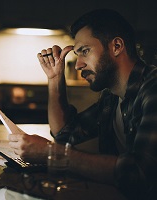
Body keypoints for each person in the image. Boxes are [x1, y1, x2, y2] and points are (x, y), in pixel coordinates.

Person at [8, 9, 157, 199]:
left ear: (117, 46)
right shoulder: (111, 98)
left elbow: (138, 173)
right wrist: (55, 78)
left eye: (85, 51)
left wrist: (50, 152)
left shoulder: (153, 89)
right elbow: (64, 133)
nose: (78, 64)